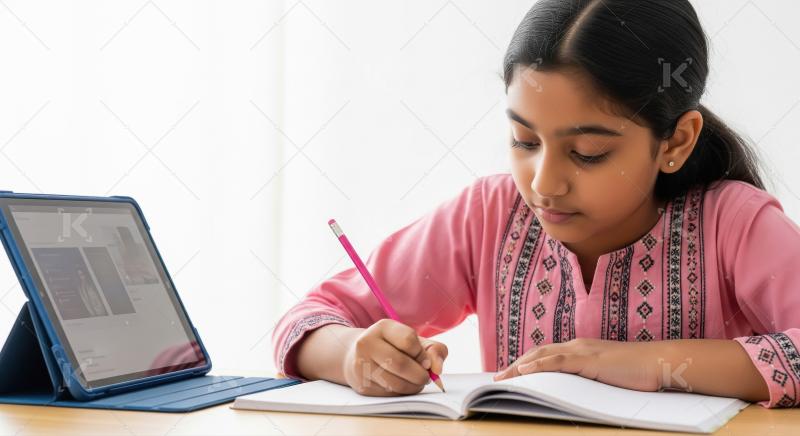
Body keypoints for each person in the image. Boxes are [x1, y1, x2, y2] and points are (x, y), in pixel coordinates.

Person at [272, 0, 800, 407]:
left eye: (589, 153)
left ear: (676, 141)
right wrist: (352, 356)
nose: (544, 184)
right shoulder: (488, 216)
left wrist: (651, 364)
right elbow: (307, 322)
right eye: (525, 142)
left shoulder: (734, 223)